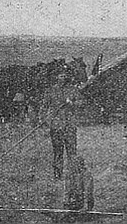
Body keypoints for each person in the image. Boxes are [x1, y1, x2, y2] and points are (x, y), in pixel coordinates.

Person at [40, 71, 95, 214]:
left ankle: (72, 175)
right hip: (56, 127)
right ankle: (57, 175)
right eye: (60, 75)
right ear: (56, 76)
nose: (62, 77)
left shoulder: (73, 90)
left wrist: (73, 103)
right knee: (57, 153)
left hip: (69, 127)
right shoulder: (51, 91)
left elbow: (82, 102)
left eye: (64, 75)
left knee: (72, 154)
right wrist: (46, 120)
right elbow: (43, 107)